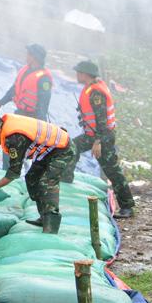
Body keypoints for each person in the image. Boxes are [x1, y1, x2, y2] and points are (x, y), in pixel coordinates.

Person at [0, 114, 72, 233]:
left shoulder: (15, 139)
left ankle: (51, 224)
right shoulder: (2, 129)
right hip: (48, 151)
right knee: (32, 177)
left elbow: (13, 173)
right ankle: (44, 217)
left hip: (62, 149)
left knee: (46, 182)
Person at [60, 61, 134, 219]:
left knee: (112, 170)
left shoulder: (96, 93)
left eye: (79, 72)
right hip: (93, 135)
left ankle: (127, 206)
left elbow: (102, 120)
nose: (77, 75)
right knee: (71, 147)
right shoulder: (91, 88)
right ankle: (66, 179)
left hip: (102, 136)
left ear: (86, 74)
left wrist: (98, 142)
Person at [0, 43, 53, 120]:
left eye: (28, 54)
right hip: (20, 113)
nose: (26, 56)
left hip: (33, 118)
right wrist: (0, 103)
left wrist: (41, 124)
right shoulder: (26, 70)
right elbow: (14, 89)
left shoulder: (44, 79)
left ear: (34, 57)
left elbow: (43, 104)